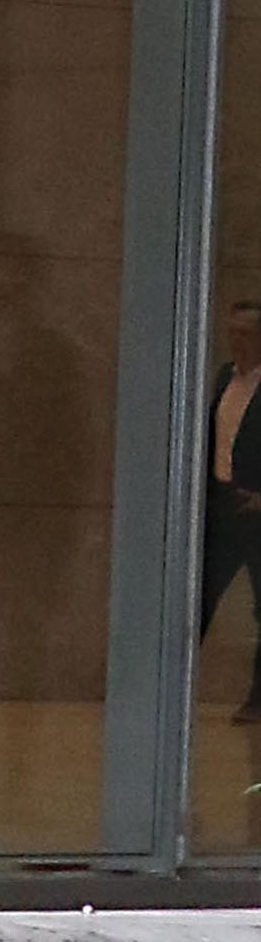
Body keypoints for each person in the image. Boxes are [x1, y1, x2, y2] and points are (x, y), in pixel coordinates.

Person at [201, 299, 261, 722]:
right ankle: (168, 685)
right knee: (199, 597)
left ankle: (258, 701)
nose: (236, 340)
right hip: (221, 504)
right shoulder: (225, 377)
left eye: (246, 333)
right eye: (232, 331)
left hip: (257, 509)